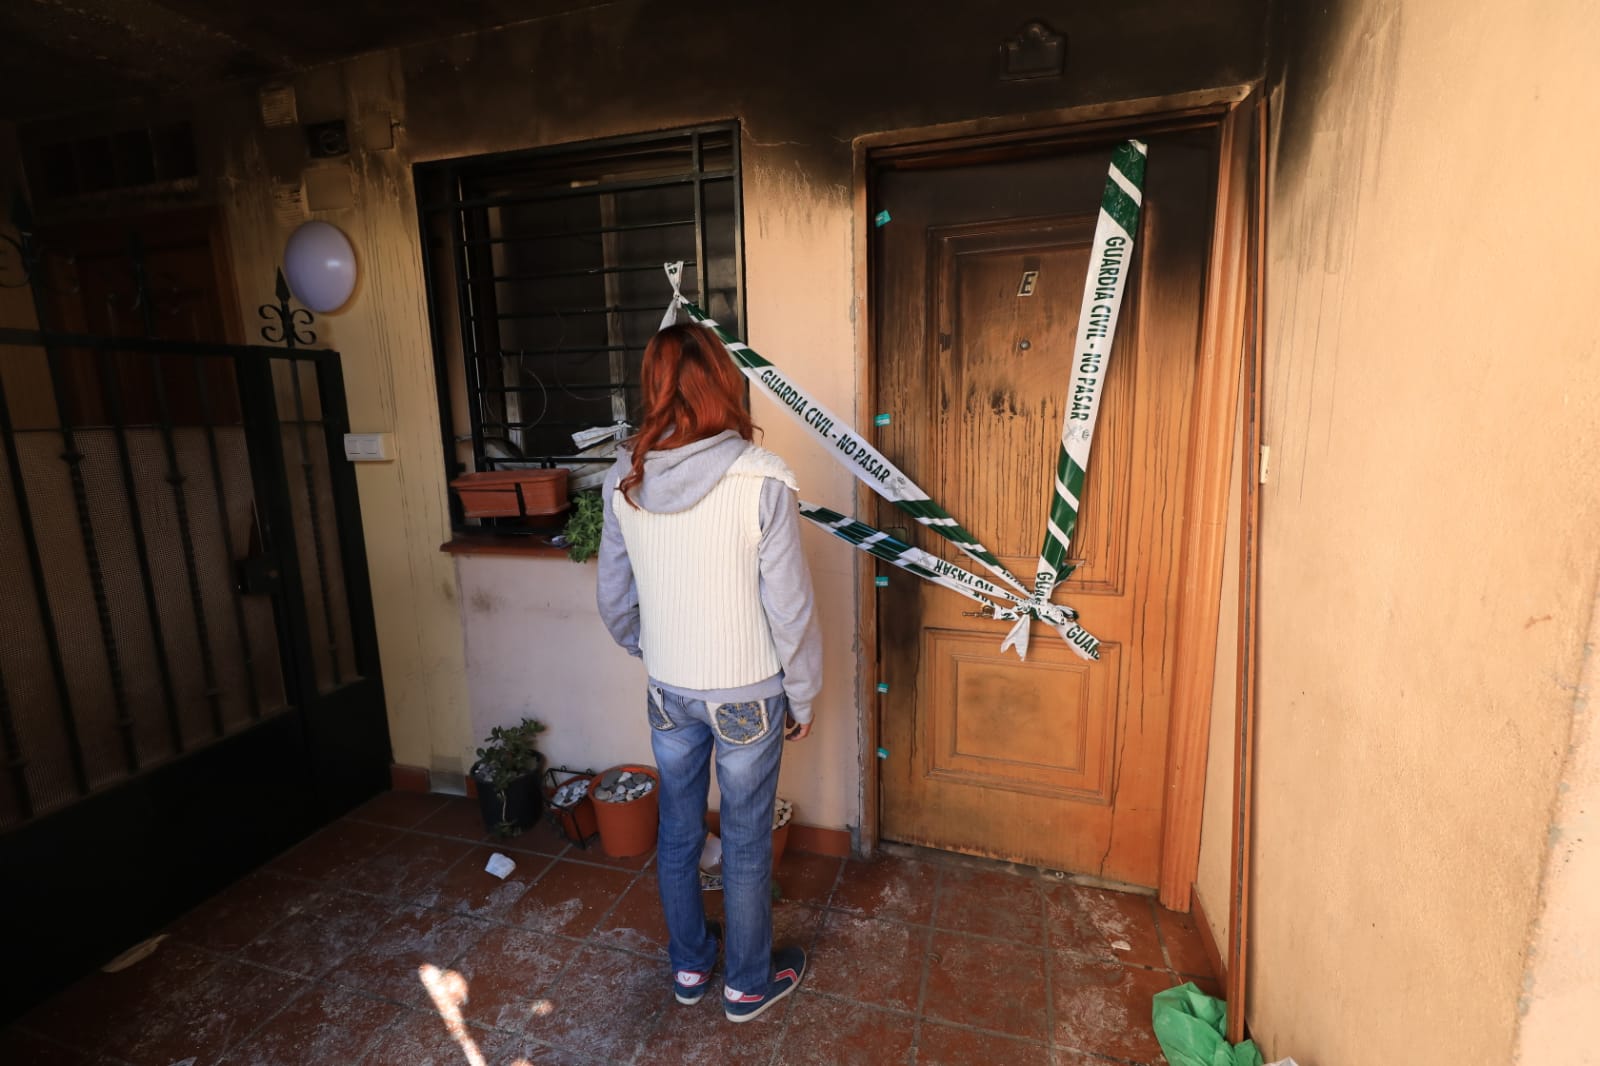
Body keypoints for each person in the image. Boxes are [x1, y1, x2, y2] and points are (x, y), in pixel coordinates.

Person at [597, 322, 822, 1023]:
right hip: (749, 695)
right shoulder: (764, 478)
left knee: (678, 831)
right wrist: (803, 693)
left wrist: (652, 648)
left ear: (654, 388)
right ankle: (748, 984)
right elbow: (790, 609)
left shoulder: (623, 480)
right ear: (726, 383)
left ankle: (692, 965)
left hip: (670, 690)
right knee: (747, 839)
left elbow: (613, 599)